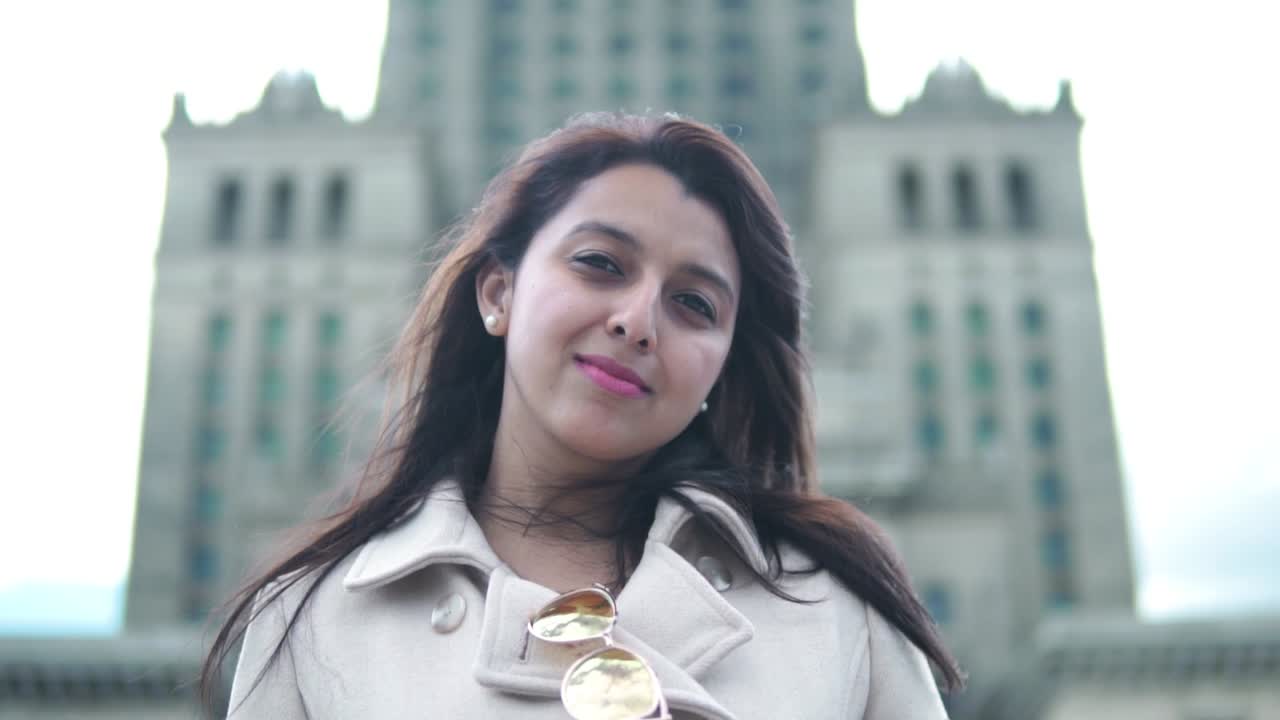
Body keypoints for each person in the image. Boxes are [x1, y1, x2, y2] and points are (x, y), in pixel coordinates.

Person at [202, 112, 963, 719]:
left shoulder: (839, 613)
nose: (638, 321)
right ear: (499, 293)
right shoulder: (314, 618)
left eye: (694, 303)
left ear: (721, 365)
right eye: (600, 262)